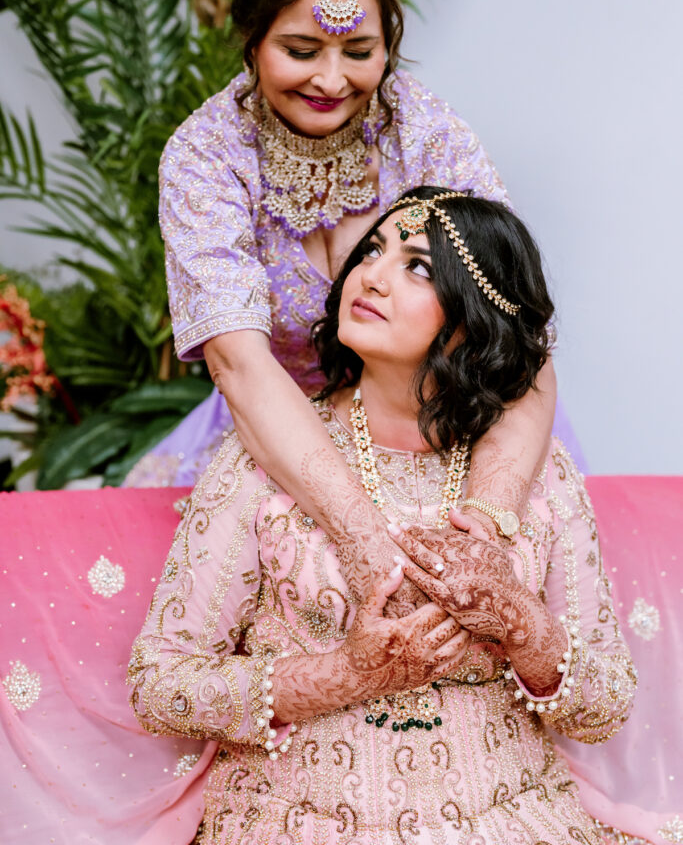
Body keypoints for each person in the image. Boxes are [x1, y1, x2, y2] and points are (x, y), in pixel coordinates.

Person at [129, 187, 636, 845]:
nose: (369, 275)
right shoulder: (262, 465)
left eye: (417, 267)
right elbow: (159, 685)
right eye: (372, 250)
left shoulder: (539, 478)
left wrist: (521, 625)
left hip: (513, 820)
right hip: (299, 825)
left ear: (472, 318)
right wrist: (346, 674)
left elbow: (606, 705)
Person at [126, 0, 571, 607]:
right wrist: (363, 535)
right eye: (300, 51)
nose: (331, 80)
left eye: (359, 53)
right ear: (250, 38)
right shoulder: (206, 158)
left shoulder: (422, 131)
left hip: (453, 426)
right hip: (283, 437)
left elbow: (517, 328)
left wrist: (485, 520)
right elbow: (239, 362)